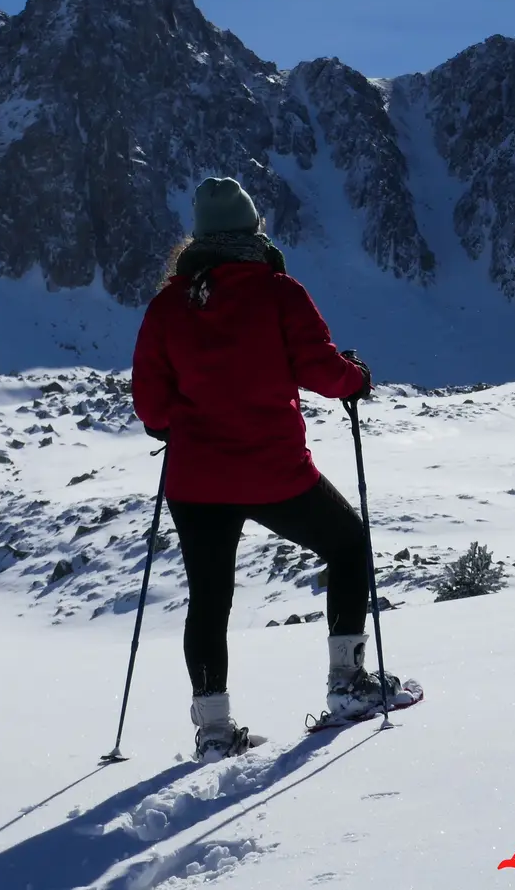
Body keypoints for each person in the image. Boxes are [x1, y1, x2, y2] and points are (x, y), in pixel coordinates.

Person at [130, 177, 416, 760]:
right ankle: (348, 683)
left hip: (196, 480)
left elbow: (152, 408)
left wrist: (176, 426)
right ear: (253, 232)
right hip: (274, 472)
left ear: (199, 240)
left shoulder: (168, 306)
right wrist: (356, 376)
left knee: (209, 599)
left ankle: (213, 731)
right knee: (347, 544)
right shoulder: (279, 292)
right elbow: (321, 370)